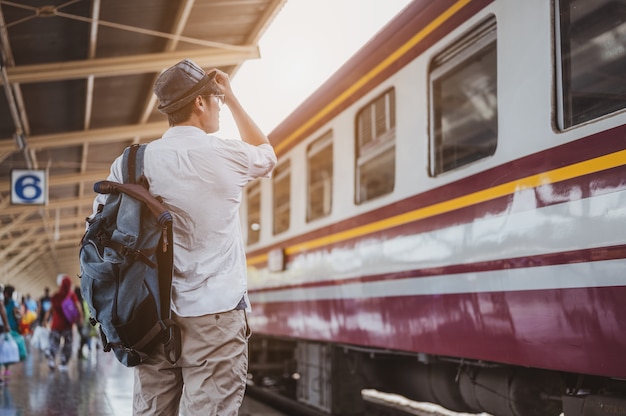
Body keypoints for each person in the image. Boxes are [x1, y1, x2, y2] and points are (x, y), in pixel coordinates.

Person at [92, 59, 277, 415]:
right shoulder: (228, 154)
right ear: (200, 103)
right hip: (216, 317)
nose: (220, 109)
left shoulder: (129, 164)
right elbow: (267, 154)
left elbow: (100, 228)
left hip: (149, 316)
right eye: (218, 101)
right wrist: (235, 97)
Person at [44, 275, 83, 371]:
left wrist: (45, 320)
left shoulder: (56, 295)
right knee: (67, 344)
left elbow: (50, 309)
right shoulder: (71, 295)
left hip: (56, 324)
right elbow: (78, 307)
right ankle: (63, 362)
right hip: (67, 325)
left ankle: (52, 359)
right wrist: (80, 318)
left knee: (54, 343)